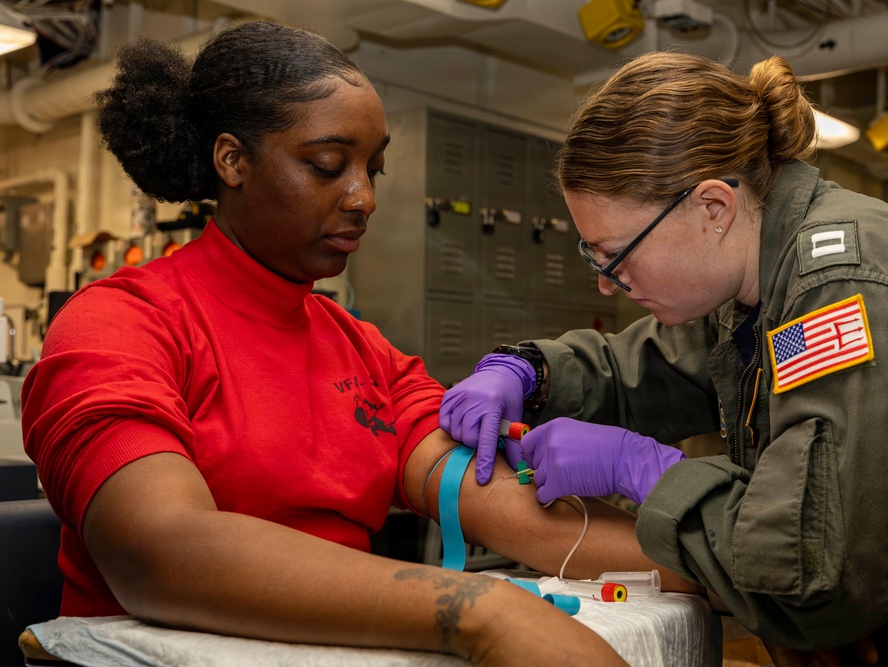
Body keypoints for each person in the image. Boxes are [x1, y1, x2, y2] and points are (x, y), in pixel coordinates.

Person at [19, 21, 704, 666]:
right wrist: (479, 608)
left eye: (372, 169)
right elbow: (160, 551)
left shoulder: (362, 350)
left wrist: (717, 568)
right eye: (327, 165)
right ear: (233, 160)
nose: (363, 198)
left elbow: (495, 500)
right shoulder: (120, 324)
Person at [439, 50, 888, 666]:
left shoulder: (850, 288)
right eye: (592, 256)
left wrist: (646, 471)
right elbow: (647, 367)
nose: (605, 282)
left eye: (616, 255)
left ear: (713, 208)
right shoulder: (762, 284)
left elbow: (817, 574)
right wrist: (529, 372)